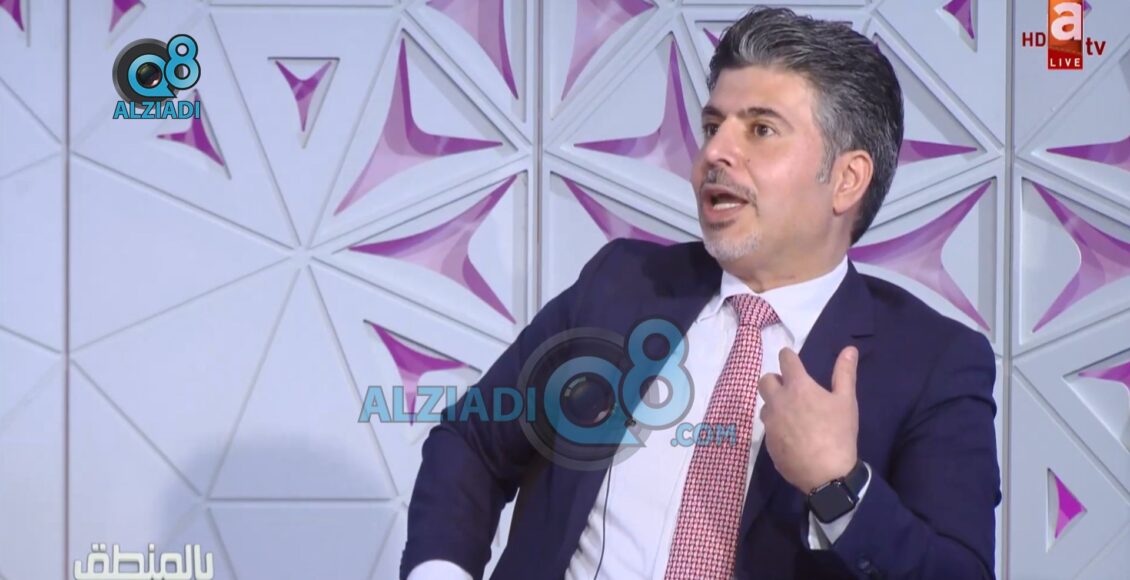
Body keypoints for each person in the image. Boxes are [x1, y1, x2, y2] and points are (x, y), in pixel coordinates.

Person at [401, 6, 1000, 579]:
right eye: (713, 126)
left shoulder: (935, 362)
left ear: (847, 180)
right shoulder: (622, 284)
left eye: (761, 129)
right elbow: (473, 441)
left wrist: (839, 486)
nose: (714, 152)